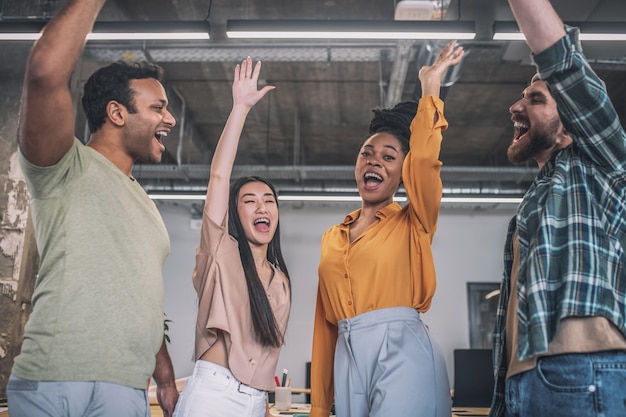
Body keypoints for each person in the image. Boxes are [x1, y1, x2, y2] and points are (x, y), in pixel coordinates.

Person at [6, 0, 179, 416]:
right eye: (158, 107)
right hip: (57, 381)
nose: (170, 119)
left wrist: (166, 378)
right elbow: (46, 72)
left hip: (125, 388)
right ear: (116, 113)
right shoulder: (64, 166)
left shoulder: (145, 205)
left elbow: (142, 300)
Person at [309, 40, 464, 417]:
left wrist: (430, 86)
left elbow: (426, 161)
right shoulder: (333, 237)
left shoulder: (414, 222)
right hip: (347, 353)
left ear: (401, 172)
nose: (374, 160)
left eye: (388, 157)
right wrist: (318, 406)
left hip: (403, 350)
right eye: (367, 153)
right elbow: (324, 325)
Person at [489, 1, 626, 417]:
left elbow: (562, 61)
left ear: (570, 129)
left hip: (579, 369)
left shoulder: (603, 165)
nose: (516, 107)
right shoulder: (540, 195)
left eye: (535, 99)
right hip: (525, 380)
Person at [173, 57, 291, 417]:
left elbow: (266, 351)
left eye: (269, 201)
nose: (262, 208)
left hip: (256, 401)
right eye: (250, 201)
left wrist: (264, 405)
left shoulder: (280, 281)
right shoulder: (220, 253)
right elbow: (220, 178)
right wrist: (240, 108)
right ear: (235, 215)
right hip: (214, 394)